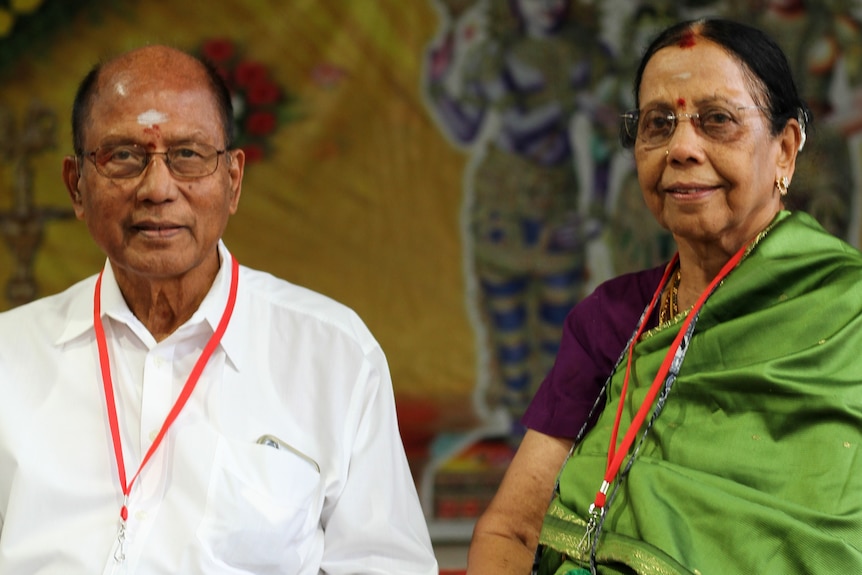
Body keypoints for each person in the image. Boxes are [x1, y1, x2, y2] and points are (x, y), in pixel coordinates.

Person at [0, 45, 437, 574]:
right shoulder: (10, 356)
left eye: (188, 155)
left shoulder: (333, 354)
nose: (158, 189)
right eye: (123, 156)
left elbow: (387, 566)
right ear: (76, 186)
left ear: (233, 180)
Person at [467, 18, 862, 574]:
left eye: (717, 120)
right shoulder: (612, 319)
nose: (680, 148)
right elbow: (511, 528)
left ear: (786, 150)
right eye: (658, 123)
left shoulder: (848, 309)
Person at [424, 0, 616, 427]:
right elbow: (466, 128)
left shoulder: (589, 58)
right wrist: (438, 84)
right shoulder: (493, 57)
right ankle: (515, 431)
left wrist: (597, 208)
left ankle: (551, 440)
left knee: (559, 335)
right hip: (501, 204)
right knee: (508, 332)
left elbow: (604, 138)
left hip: (559, 201)